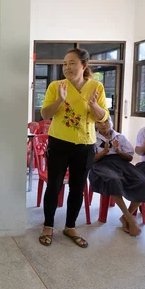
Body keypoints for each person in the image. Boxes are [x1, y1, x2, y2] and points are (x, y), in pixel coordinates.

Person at [39, 48, 109, 249]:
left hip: (86, 145)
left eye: (71, 63)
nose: (67, 67)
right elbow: (45, 114)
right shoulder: (56, 86)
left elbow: (102, 117)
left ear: (83, 65)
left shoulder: (96, 86)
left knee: (78, 188)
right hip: (59, 142)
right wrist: (59, 100)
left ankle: (70, 226)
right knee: (54, 185)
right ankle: (48, 226)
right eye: (64, 63)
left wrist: (94, 105)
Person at [89, 118, 145, 236]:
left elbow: (129, 157)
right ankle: (130, 218)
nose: (103, 124)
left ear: (110, 122)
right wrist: (104, 152)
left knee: (142, 181)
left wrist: (118, 151)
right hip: (100, 165)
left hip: (121, 163)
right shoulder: (91, 138)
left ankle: (125, 217)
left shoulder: (119, 137)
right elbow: (91, 160)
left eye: (106, 121)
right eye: (99, 122)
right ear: (95, 124)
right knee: (113, 180)